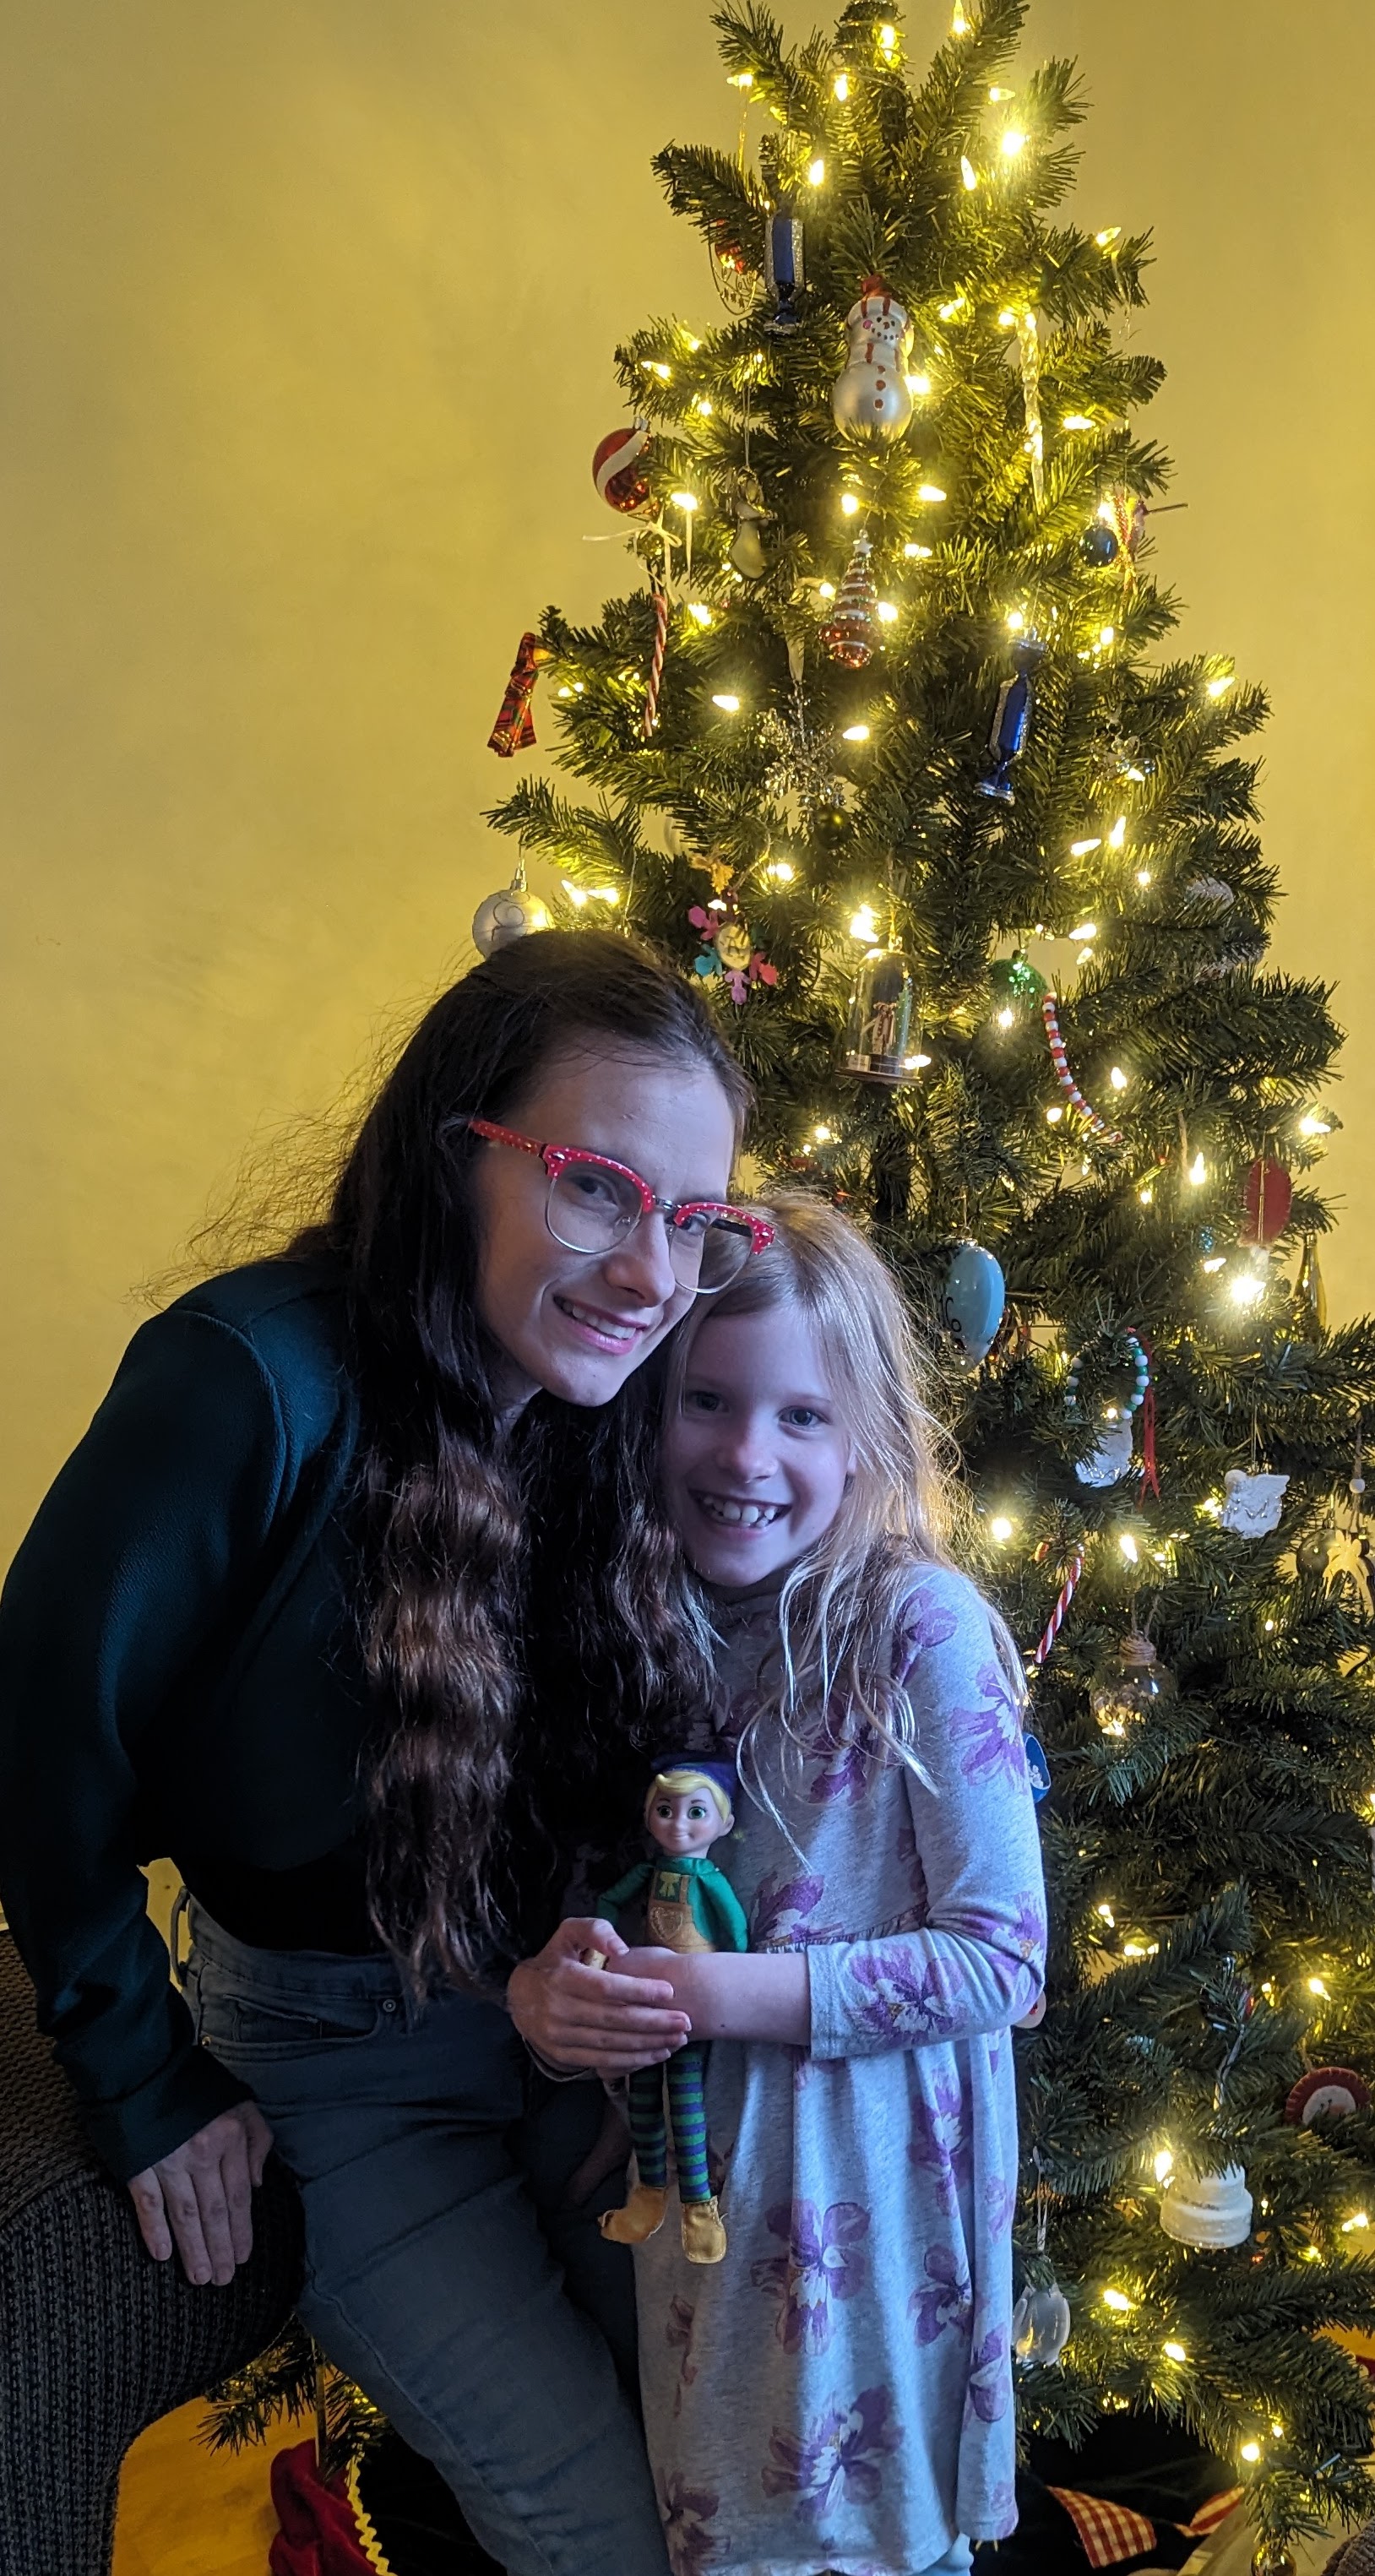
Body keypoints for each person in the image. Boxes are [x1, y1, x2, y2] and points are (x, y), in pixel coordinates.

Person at [0, 927, 772, 2576]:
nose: (651, 1271)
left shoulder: (617, 1399)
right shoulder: (247, 1387)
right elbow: (34, 1737)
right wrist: (137, 2069)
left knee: (752, 2468)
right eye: (594, 1187)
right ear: (456, 1158)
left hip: (559, 2041)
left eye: (696, 1220)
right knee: (610, 2540)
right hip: (337, 2069)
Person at [530, 1193, 1047, 2576]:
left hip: (875, 2225)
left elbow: (1004, 1958)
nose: (746, 1454)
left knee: (857, 2542)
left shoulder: (919, 1628)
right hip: (705, 2221)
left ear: (868, 1431)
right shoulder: (646, 1624)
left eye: (802, 1416)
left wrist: (717, 1991)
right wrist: (569, 1982)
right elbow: (616, 1888)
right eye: (706, 1399)